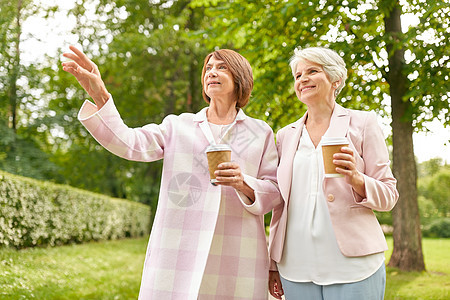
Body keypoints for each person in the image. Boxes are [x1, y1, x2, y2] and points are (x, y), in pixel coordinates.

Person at [62, 45, 281, 299]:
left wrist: (244, 183)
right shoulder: (178, 125)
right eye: (208, 68)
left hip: (236, 250)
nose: (212, 72)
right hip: (179, 249)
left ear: (240, 78)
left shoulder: (259, 131)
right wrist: (100, 96)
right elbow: (129, 143)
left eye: (222, 67)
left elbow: (275, 191)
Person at [267, 47, 399, 300]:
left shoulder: (363, 123)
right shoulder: (285, 135)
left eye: (312, 71)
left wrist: (358, 179)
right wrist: (274, 262)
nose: (302, 79)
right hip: (296, 266)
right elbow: (280, 205)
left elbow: (389, 195)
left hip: (353, 266)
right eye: (297, 75)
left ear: (335, 79)